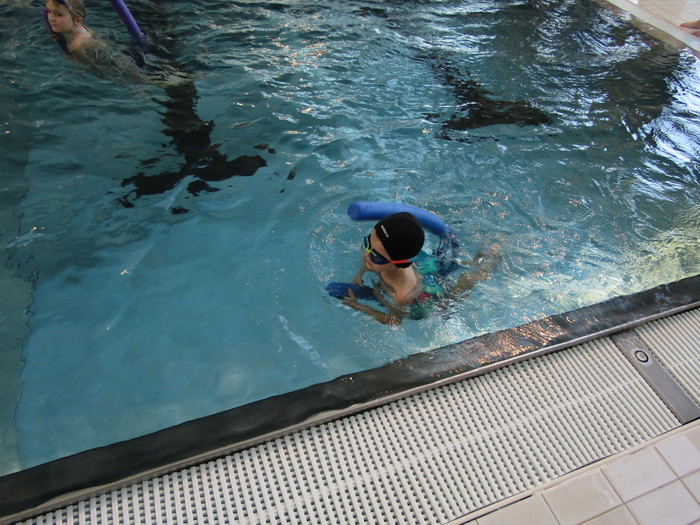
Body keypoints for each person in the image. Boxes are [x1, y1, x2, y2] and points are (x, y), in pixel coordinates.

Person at [339, 212, 501, 325]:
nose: (366, 254)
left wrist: (359, 306)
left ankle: (487, 262)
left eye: (375, 256)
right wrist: (359, 274)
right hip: (420, 266)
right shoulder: (377, 256)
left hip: (429, 295)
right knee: (441, 264)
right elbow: (369, 256)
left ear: (399, 262)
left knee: (459, 288)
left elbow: (394, 321)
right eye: (367, 243)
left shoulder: (401, 296)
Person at [45, 0, 110, 64]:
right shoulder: (78, 27)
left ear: (77, 21)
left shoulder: (76, 45)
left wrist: (69, 56)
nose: (51, 18)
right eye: (49, 11)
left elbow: (88, 65)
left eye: (59, 15)